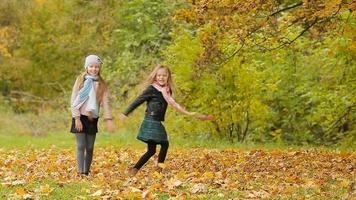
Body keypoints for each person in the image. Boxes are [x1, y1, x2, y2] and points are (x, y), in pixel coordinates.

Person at [120, 64, 213, 176]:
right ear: (155, 76)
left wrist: (193, 114)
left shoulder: (167, 91)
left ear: (168, 76)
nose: (161, 77)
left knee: (151, 150)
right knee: (165, 143)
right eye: (159, 75)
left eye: (164, 75)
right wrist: (126, 113)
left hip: (155, 121)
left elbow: (175, 105)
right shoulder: (152, 89)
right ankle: (159, 169)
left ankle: (134, 170)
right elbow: (138, 101)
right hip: (151, 121)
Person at [70, 54, 114, 176]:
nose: (94, 69)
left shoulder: (102, 84)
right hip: (80, 116)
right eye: (91, 66)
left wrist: (108, 119)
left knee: (89, 147)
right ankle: (80, 172)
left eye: (96, 67)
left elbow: (105, 103)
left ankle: (86, 171)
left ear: (99, 68)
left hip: (92, 118)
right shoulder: (81, 80)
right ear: (86, 67)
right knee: (81, 145)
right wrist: (77, 118)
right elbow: (74, 99)